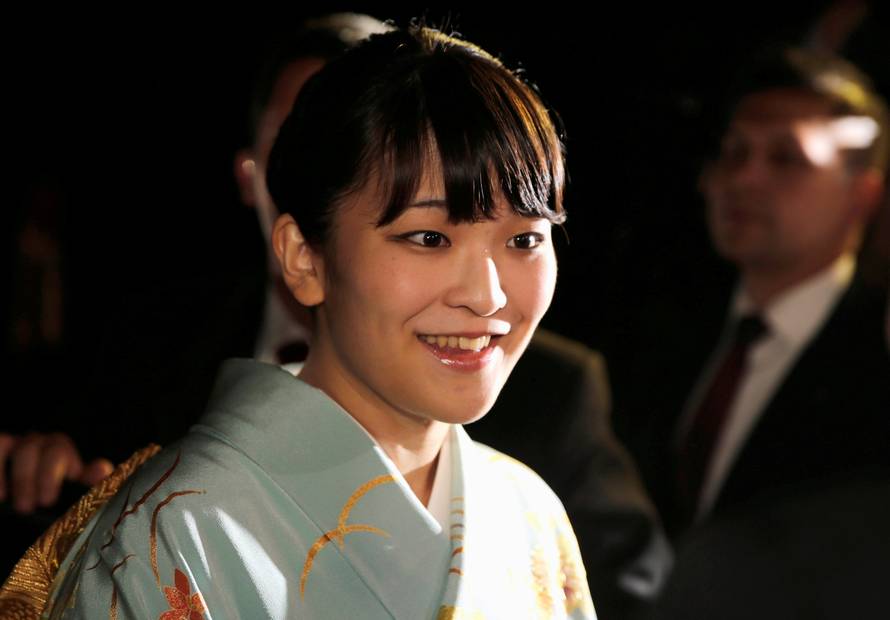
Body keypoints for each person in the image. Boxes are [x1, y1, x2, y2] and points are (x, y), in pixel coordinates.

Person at [3, 25, 597, 618]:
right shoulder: (170, 535)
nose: (486, 294)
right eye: (428, 237)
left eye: (524, 238)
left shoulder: (528, 515)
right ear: (303, 257)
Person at [624, 46, 890, 538]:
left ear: (861, 196)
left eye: (787, 158)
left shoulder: (876, 362)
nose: (741, 179)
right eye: (734, 152)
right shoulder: (660, 330)